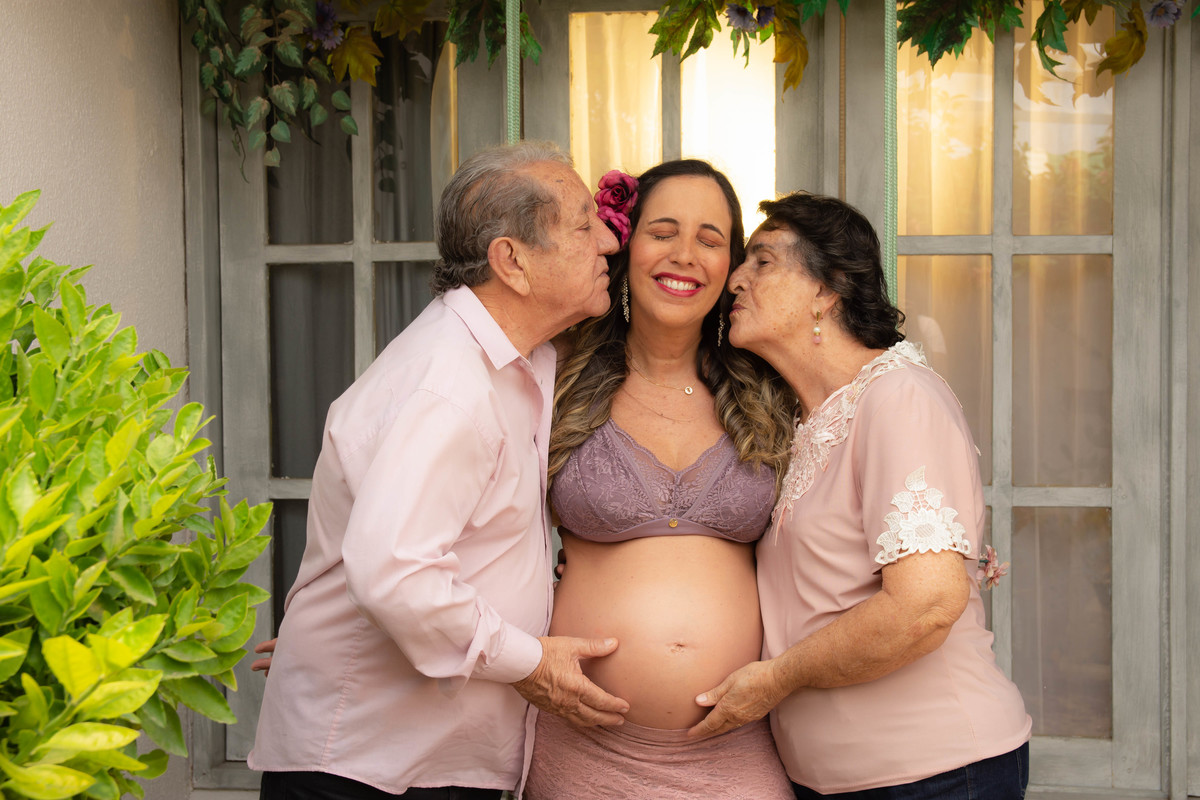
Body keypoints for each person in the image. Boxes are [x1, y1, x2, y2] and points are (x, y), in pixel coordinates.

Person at [248, 141, 632, 800]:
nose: (607, 240)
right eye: (582, 225)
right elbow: (393, 572)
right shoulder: (450, 386)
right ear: (512, 261)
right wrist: (531, 663)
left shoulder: (520, 361)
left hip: (421, 757)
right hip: (370, 769)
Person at [689, 192, 1032, 798]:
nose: (735, 279)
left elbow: (925, 604)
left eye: (762, 261)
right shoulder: (803, 420)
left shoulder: (898, 397)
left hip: (935, 774)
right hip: (835, 780)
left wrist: (775, 680)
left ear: (827, 290)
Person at [523, 160, 797, 799]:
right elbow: (470, 512)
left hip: (737, 749)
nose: (685, 256)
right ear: (625, 245)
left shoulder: (770, 388)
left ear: (731, 265)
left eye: (710, 239)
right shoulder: (555, 374)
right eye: (663, 232)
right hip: (582, 748)